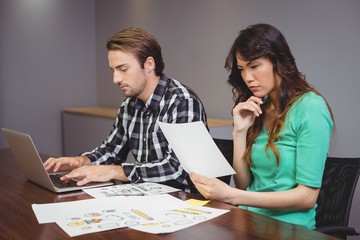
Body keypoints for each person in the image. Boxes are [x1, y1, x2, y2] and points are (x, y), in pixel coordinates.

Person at [190, 23, 334, 229]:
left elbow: (307, 197)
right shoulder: (259, 107)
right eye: (242, 69)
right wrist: (239, 132)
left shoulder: (310, 107)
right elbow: (245, 184)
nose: (248, 78)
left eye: (255, 66)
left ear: (278, 62)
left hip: (290, 229)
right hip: (249, 221)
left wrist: (232, 195)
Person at [44, 27, 208, 193]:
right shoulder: (129, 105)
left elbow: (178, 169)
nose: (116, 79)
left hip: (185, 201)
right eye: (113, 70)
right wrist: (82, 161)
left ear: (149, 64)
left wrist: (116, 171)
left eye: (123, 69)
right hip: (149, 197)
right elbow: (111, 150)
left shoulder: (182, 101)